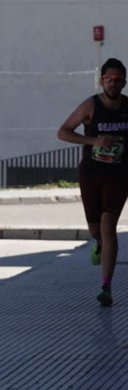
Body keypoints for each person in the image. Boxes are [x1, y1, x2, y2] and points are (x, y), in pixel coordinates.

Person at [57, 57, 128, 306]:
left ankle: (106, 286)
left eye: (118, 80)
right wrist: (95, 141)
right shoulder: (91, 105)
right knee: (96, 230)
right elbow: (63, 131)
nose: (113, 83)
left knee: (109, 225)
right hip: (91, 174)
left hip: (119, 176)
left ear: (124, 82)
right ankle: (99, 243)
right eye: (109, 79)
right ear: (102, 81)